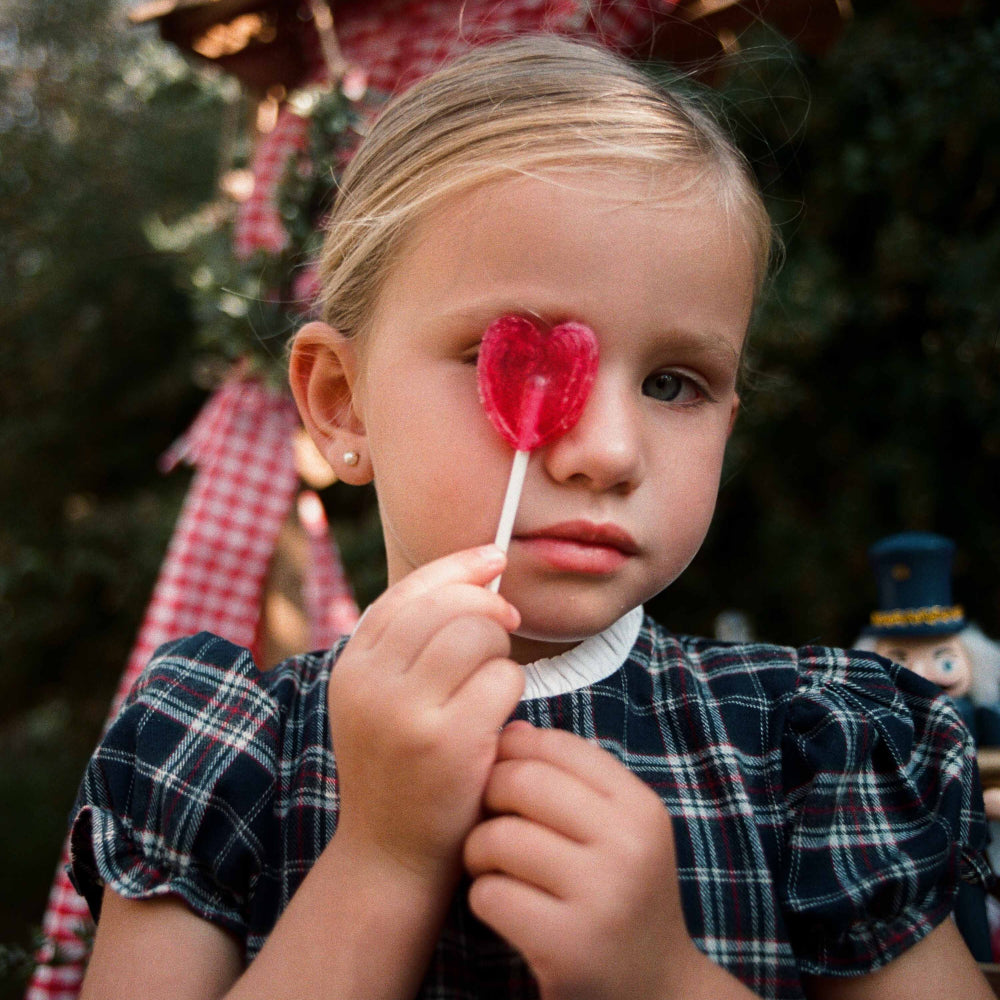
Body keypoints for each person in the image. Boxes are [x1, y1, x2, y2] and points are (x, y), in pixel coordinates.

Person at [66, 35, 994, 1000]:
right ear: (341, 402)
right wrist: (382, 856)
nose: (609, 451)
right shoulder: (222, 756)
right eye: (515, 356)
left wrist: (665, 981)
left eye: (675, 382)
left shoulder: (810, 748)